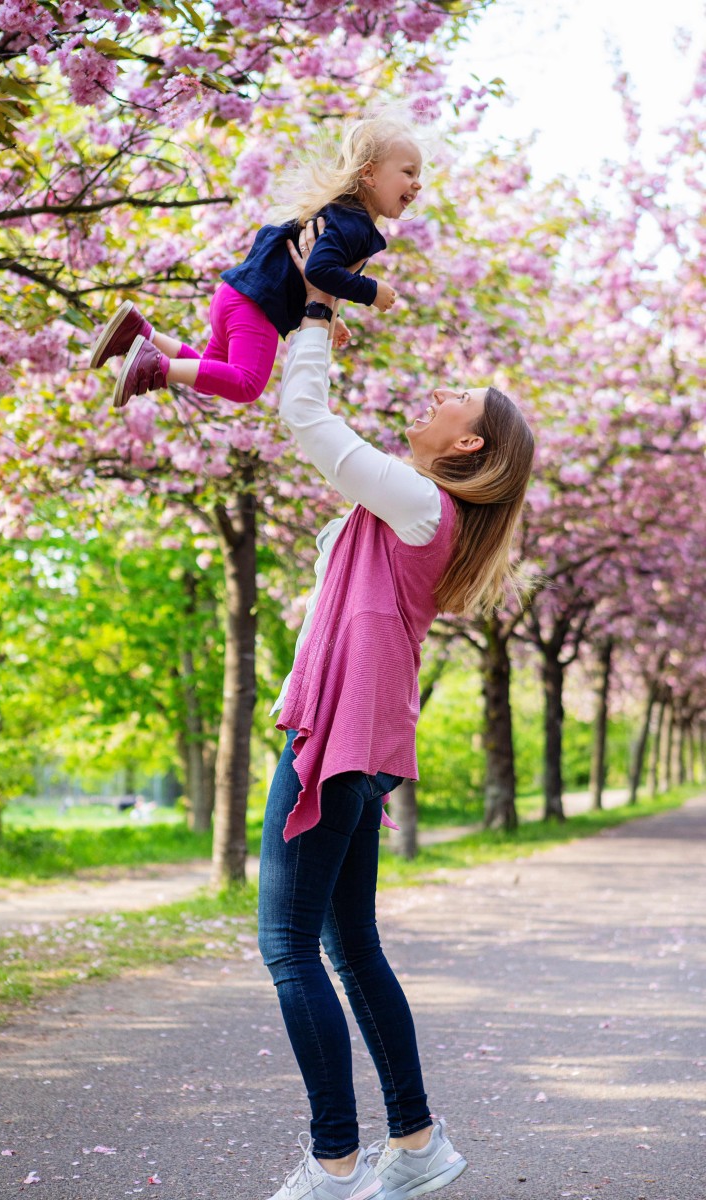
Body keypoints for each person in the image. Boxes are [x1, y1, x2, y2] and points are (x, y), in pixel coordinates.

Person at [257, 219, 535, 1200]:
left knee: (288, 948)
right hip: (348, 736)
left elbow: (308, 424)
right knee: (345, 945)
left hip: (336, 744)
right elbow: (322, 448)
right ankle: (415, 1145)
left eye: (453, 399)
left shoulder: (421, 507)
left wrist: (317, 311)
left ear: (466, 443)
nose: (433, 394)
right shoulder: (414, 508)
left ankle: (335, 1160)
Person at [88, 112, 422, 408]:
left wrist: (333, 316)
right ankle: (156, 366)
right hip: (256, 307)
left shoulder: (340, 215)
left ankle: (140, 332)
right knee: (246, 384)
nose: (417, 184)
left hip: (234, 297)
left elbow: (312, 269)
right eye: (408, 172)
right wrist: (370, 290)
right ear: (369, 174)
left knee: (209, 375)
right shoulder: (354, 224)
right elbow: (319, 270)